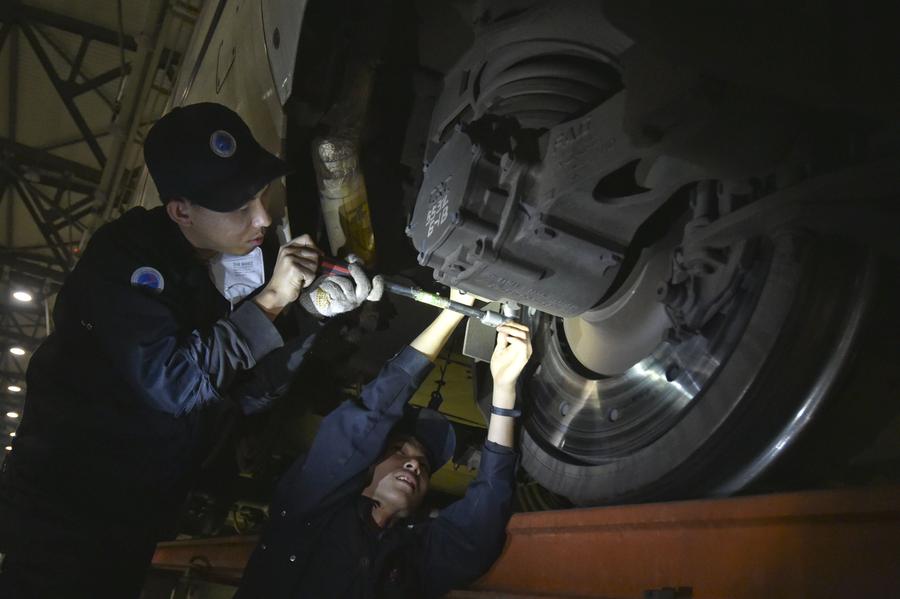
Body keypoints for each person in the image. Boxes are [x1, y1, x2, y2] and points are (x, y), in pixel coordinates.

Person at [0, 103, 381, 598]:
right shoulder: (125, 260)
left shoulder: (256, 253)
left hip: (140, 503)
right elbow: (176, 384)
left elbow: (244, 391)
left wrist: (315, 313)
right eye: (240, 207)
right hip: (66, 508)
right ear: (181, 211)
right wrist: (271, 301)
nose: (263, 216)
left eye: (260, 195)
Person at [236, 290, 532, 599]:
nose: (415, 465)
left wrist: (457, 307)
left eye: (420, 462)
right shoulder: (409, 561)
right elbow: (481, 528)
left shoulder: (307, 508)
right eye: (400, 451)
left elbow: (364, 420)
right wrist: (505, 391)